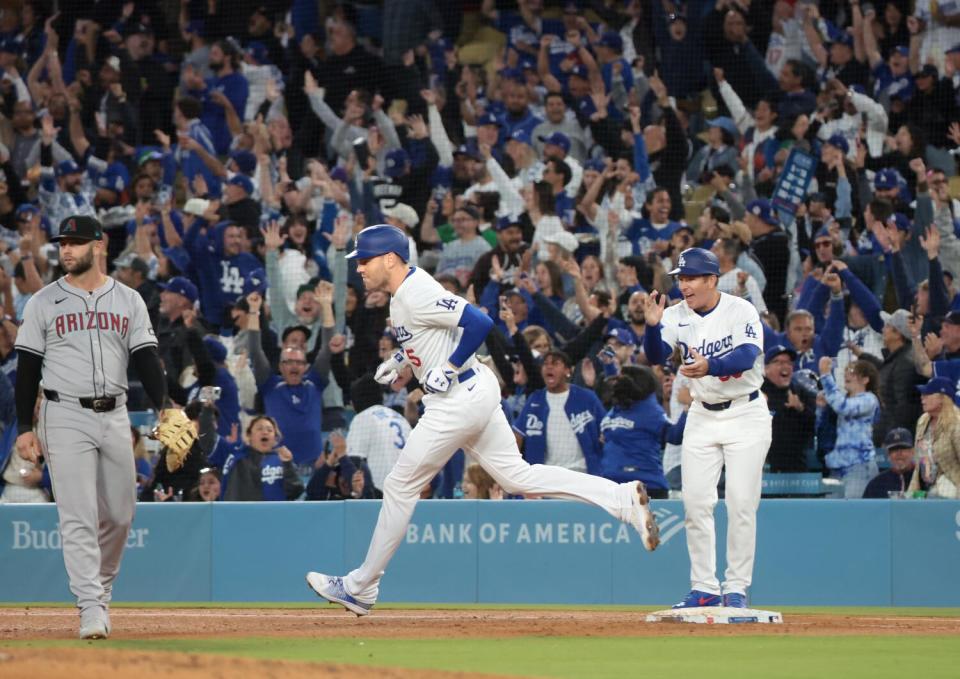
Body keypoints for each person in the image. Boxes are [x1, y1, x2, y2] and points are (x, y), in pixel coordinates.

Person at [306, 225, 660, 616]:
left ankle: (360, 587)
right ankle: (622, 499)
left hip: (458, 398)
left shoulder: (415, 290)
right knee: (517, 477)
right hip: (472, 393)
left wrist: (451, 366)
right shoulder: (403, 293)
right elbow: (431, 334)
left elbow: (479, 322)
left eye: (365, 260)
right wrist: (401, 360)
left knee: (399, 485)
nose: (359, 268)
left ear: (390, 258)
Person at [13, 215, 169, 640]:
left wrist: (165, 406)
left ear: (99, 247)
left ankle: (100, 589)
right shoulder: (43, 302)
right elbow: (26, 370)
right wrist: (24, 427)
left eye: (77, 243)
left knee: (120, 515)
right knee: (78, 514)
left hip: (115, 413)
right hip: (63, 415)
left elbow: (147, 360)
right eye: (64, 243)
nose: (67, 250)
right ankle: (90, 607)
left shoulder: (129, 300)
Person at [642, 247, 771, 609]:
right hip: (701, 414)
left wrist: (710, 365)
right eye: (681, 278)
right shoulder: (674, 314)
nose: (684, 285)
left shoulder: (739, 309)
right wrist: (652, 328)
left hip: (746, 414)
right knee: (696, 504)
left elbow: (747, 356)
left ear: (712, 280)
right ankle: (704, 589)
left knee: (742, 503)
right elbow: (654, 356)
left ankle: (736, 589)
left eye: (691, 278)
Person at [599, 365, 686, 497]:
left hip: (645, 486)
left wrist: (687, 410)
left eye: (623, 377)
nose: (618, 381)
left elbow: (674, 436)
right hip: (612, 485)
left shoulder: (649, 410)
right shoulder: (619, 406)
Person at [818, 357, 881, 499]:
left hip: (859, 465)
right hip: (836, 467)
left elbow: (843, 408)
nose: (847, 374)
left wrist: (826, 376)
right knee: (831, 515)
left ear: (865, 379)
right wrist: (821, 409)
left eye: (852, 371)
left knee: (853, 514)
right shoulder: (843, 400)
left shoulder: (869, 399)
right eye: (846, 371)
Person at [222, 415, 304, 501]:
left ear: (275, 438)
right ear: (249, 435)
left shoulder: (282, 460)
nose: (265, 432)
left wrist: (288, 464)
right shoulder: (239, 459)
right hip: (248, 513)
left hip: (278, 513)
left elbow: (296, 491)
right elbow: (232, 494)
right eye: (259, 429)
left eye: (270, 430)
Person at [761, 344, 815, 472]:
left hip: (796, 465)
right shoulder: (757, 392)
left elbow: (812, 427)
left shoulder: (800, 392)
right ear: (766, 368)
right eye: (779, 362)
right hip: (764, 464)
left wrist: (800, 408)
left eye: (789, 363)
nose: (785, 366)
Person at [907, 377, 960, 499]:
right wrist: (911, 494)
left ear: (942, 398)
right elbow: (919, 464)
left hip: (951, 490)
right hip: (925, 488)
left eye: (927, 394)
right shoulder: (923, 421)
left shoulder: (956, 423)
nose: (922, 397)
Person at [863, 428, 919, 498]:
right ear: (887, 454)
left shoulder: (923, 479)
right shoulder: (876, 485)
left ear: (913, 451)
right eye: (894, 449)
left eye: (903, 448)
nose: (899, 453)